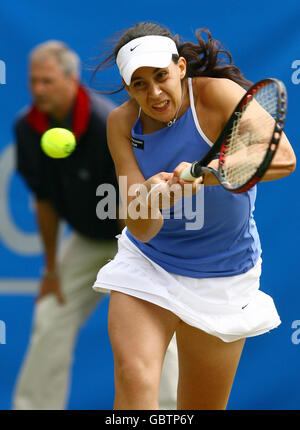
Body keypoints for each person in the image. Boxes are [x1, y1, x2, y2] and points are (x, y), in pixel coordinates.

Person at [92, 22, 297, 410]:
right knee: (134, 375)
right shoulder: (120, 124)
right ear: (128, 89)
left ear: (181, 68)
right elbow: (143, 229)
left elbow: (284, 158)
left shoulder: (217, 95)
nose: (154, 93)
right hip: (149, 264)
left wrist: (206, 175)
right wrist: (151, 199)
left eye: (160, 76)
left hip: (224, 274)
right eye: (139, 84)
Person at [12, 40, 178, 410]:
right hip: (87, 240)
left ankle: (167, 411)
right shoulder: (28, 128)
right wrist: (51, 268)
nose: (38, 90)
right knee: (50, 316)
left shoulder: (107, 122)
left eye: (47, 81)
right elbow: (45, 201)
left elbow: (134, 199)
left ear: (71, 81)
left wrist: (138, 258)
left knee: (156, 330)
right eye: (33, 81)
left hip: (135, 238)